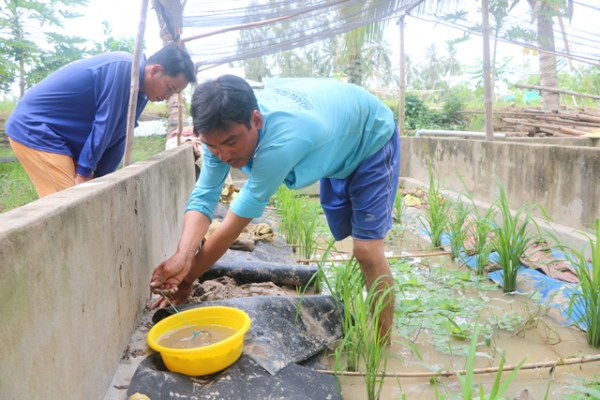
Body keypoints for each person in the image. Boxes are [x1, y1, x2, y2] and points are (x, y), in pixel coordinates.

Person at [150, 75, 400, 340]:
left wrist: (188, 278)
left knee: (367, 250)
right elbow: (204, 196)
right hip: (337, 136)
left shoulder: (283, 141)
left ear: (256, 120)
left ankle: (382, 346)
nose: (222, 155)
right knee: (350, 232)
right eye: (212, 145)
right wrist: (183, 255)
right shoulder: (221, 135)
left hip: (370, 136)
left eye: (231, 143)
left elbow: (235, 223)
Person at [5, 42, 196, 198]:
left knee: (86, 200)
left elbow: (119, 135)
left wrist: (102, 181)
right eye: (169, 88)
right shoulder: (124, 68)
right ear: (155, 70)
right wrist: (83, 174)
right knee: (69, 207)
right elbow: (104, 124)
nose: (168, 95)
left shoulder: (141, 94)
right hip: (36, 129)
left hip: (61, 140)